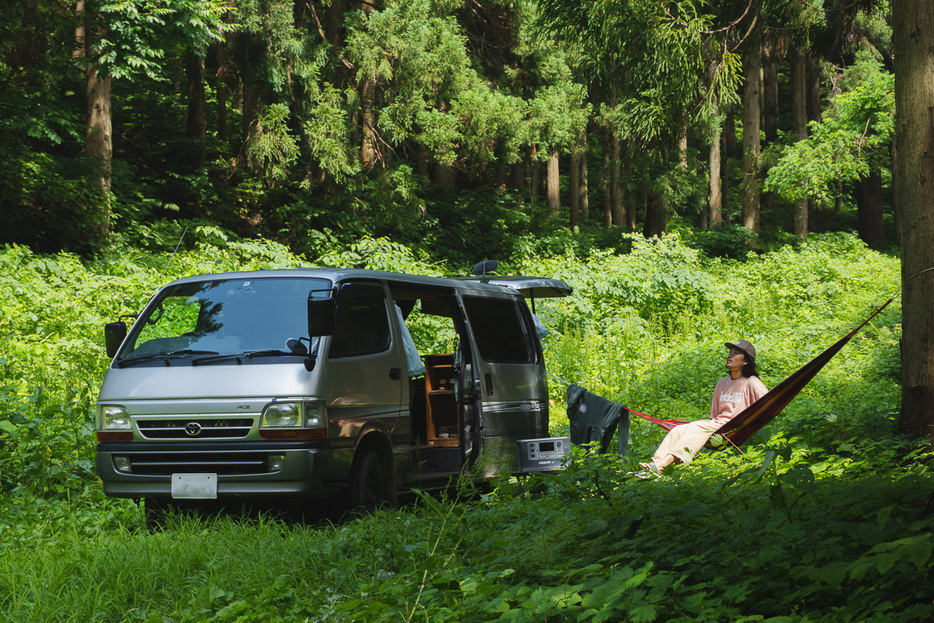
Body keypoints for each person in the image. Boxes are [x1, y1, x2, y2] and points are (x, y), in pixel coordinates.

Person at [641, 339, 768, 475]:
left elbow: (768, 403)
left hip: (735, 427)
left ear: (746, 361)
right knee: (678, 430)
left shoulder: (752, 383)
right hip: (718, 425)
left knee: (696, 428)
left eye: (736, 353)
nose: (730, 355)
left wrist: (750, 422)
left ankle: (662, 466)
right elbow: (715, 416)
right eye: (730, 352)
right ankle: (655, 465)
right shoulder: (722, 383)